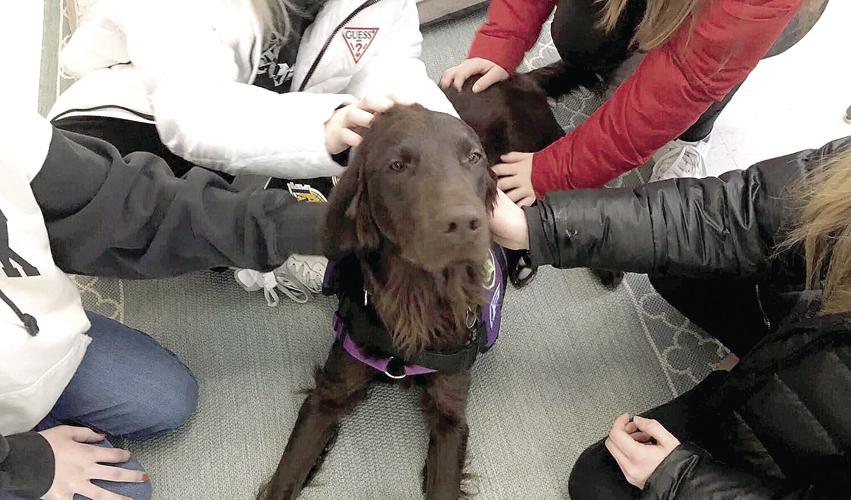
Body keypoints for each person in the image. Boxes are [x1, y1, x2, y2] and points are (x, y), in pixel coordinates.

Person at [489, 135, 851, 497]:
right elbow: (733, 214)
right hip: (806, 334)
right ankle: (751, 355)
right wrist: (538, 228)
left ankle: (733, 380)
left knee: (599, 480)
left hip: (806, 467)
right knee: (681, 259)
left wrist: (678, 477)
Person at [0, 105, 327, 499]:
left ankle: (31, 410)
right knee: (128, 492)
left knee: (166, 398)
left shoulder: (8, 133)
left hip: (26, 335)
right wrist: (26, 464)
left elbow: (132, 206)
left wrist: (304, 227)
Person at [48, 0, 456, 303]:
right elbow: (194, 112)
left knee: (371, 169)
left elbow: (391, 67)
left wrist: (450, 156)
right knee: (113, 207)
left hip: (281, 106)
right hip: (141, 114)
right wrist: (325, 128)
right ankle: (247, 236)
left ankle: (262, 213)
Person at [442, 0, 825, 206]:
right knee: (580, 36)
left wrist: (557, 172)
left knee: (706, 78)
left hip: (753, 17)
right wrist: (504, 37)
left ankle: (692, 136)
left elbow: (684, 83)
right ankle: (605, 59)